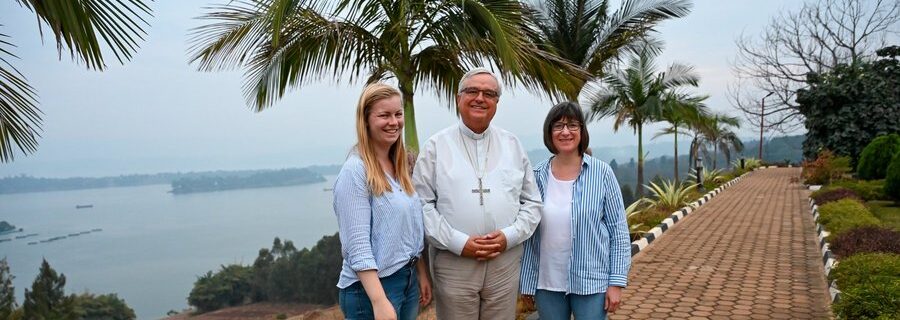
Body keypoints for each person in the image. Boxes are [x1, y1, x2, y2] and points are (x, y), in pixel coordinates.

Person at [412, 68, 542, 320]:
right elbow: (421, 205)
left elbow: (532, 202)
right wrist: (459, 243)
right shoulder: (436, 146)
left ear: (496, 103)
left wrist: (509, 236)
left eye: (489, 93)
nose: (480, 98)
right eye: (472, 91)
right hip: (454, 264)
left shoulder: (512, 145)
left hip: (504, 262)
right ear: (458, 98)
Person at [519, 101, 632, 320]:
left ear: (582, 131)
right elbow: (527, 233)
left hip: (592, 281)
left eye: (572, 125)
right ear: (549, 133)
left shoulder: (602, 173)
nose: (565, 132)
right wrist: (527, 280)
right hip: (547, 283)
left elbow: (618, 232)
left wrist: (616, 283)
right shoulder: (536, 176)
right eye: (558, 126)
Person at [333, 83, 431, 320]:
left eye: (398, 114)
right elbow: (357, 247)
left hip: (405, 281)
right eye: (384, 115)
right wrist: (379, 301)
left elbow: (408, 229)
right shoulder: (355, 171)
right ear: (365, 120)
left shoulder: (401, 167)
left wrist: (420, 272)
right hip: (370, 290)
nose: (394, 122)